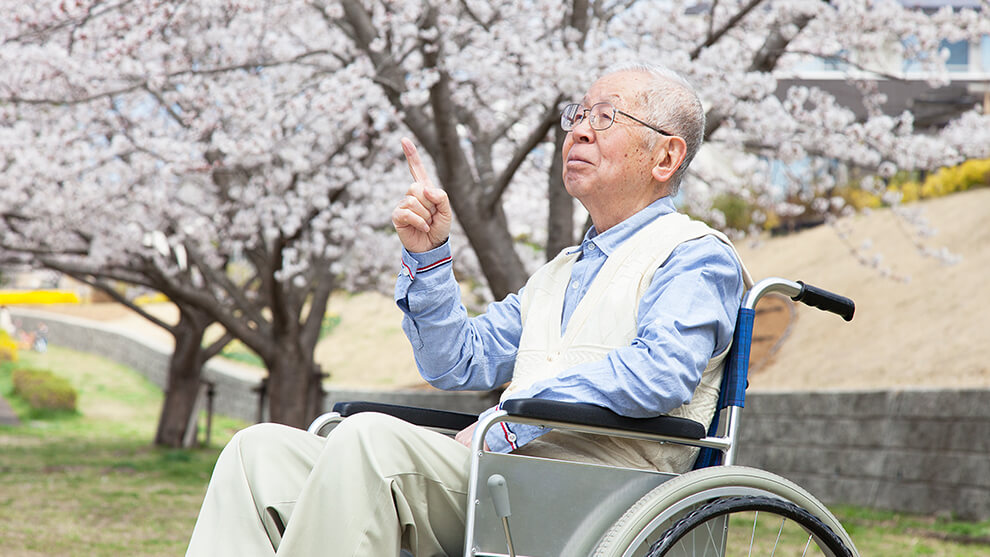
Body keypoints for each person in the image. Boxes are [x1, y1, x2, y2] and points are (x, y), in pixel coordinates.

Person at [186, 62, 751, 557]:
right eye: (576, 114)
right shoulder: (559, 272)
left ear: (666, 156)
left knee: (369, 439)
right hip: (515, 476)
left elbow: (659, 373)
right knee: (256, 452)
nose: (578, 129)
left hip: (607, 489)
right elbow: (457, 364)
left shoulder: (695, 257)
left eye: (604, 117)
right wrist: (430, 260)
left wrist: (518, 421)